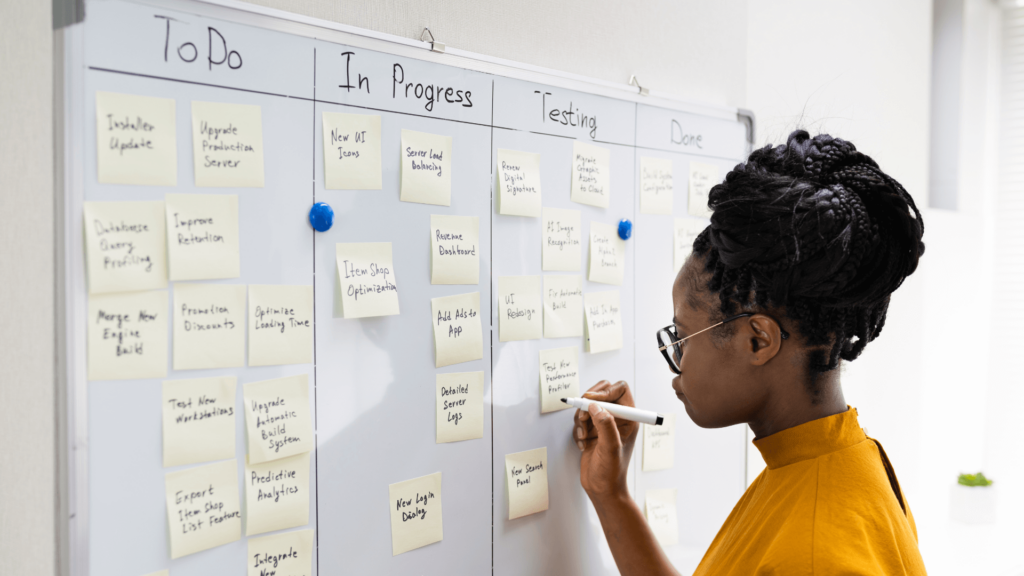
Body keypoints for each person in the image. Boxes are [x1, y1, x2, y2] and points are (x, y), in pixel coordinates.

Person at [572, 130, 927, 575]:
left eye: (681, 337)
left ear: (758, 339)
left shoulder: (815, 555)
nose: (676, 365)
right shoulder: (836, 461)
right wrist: (612, 495)